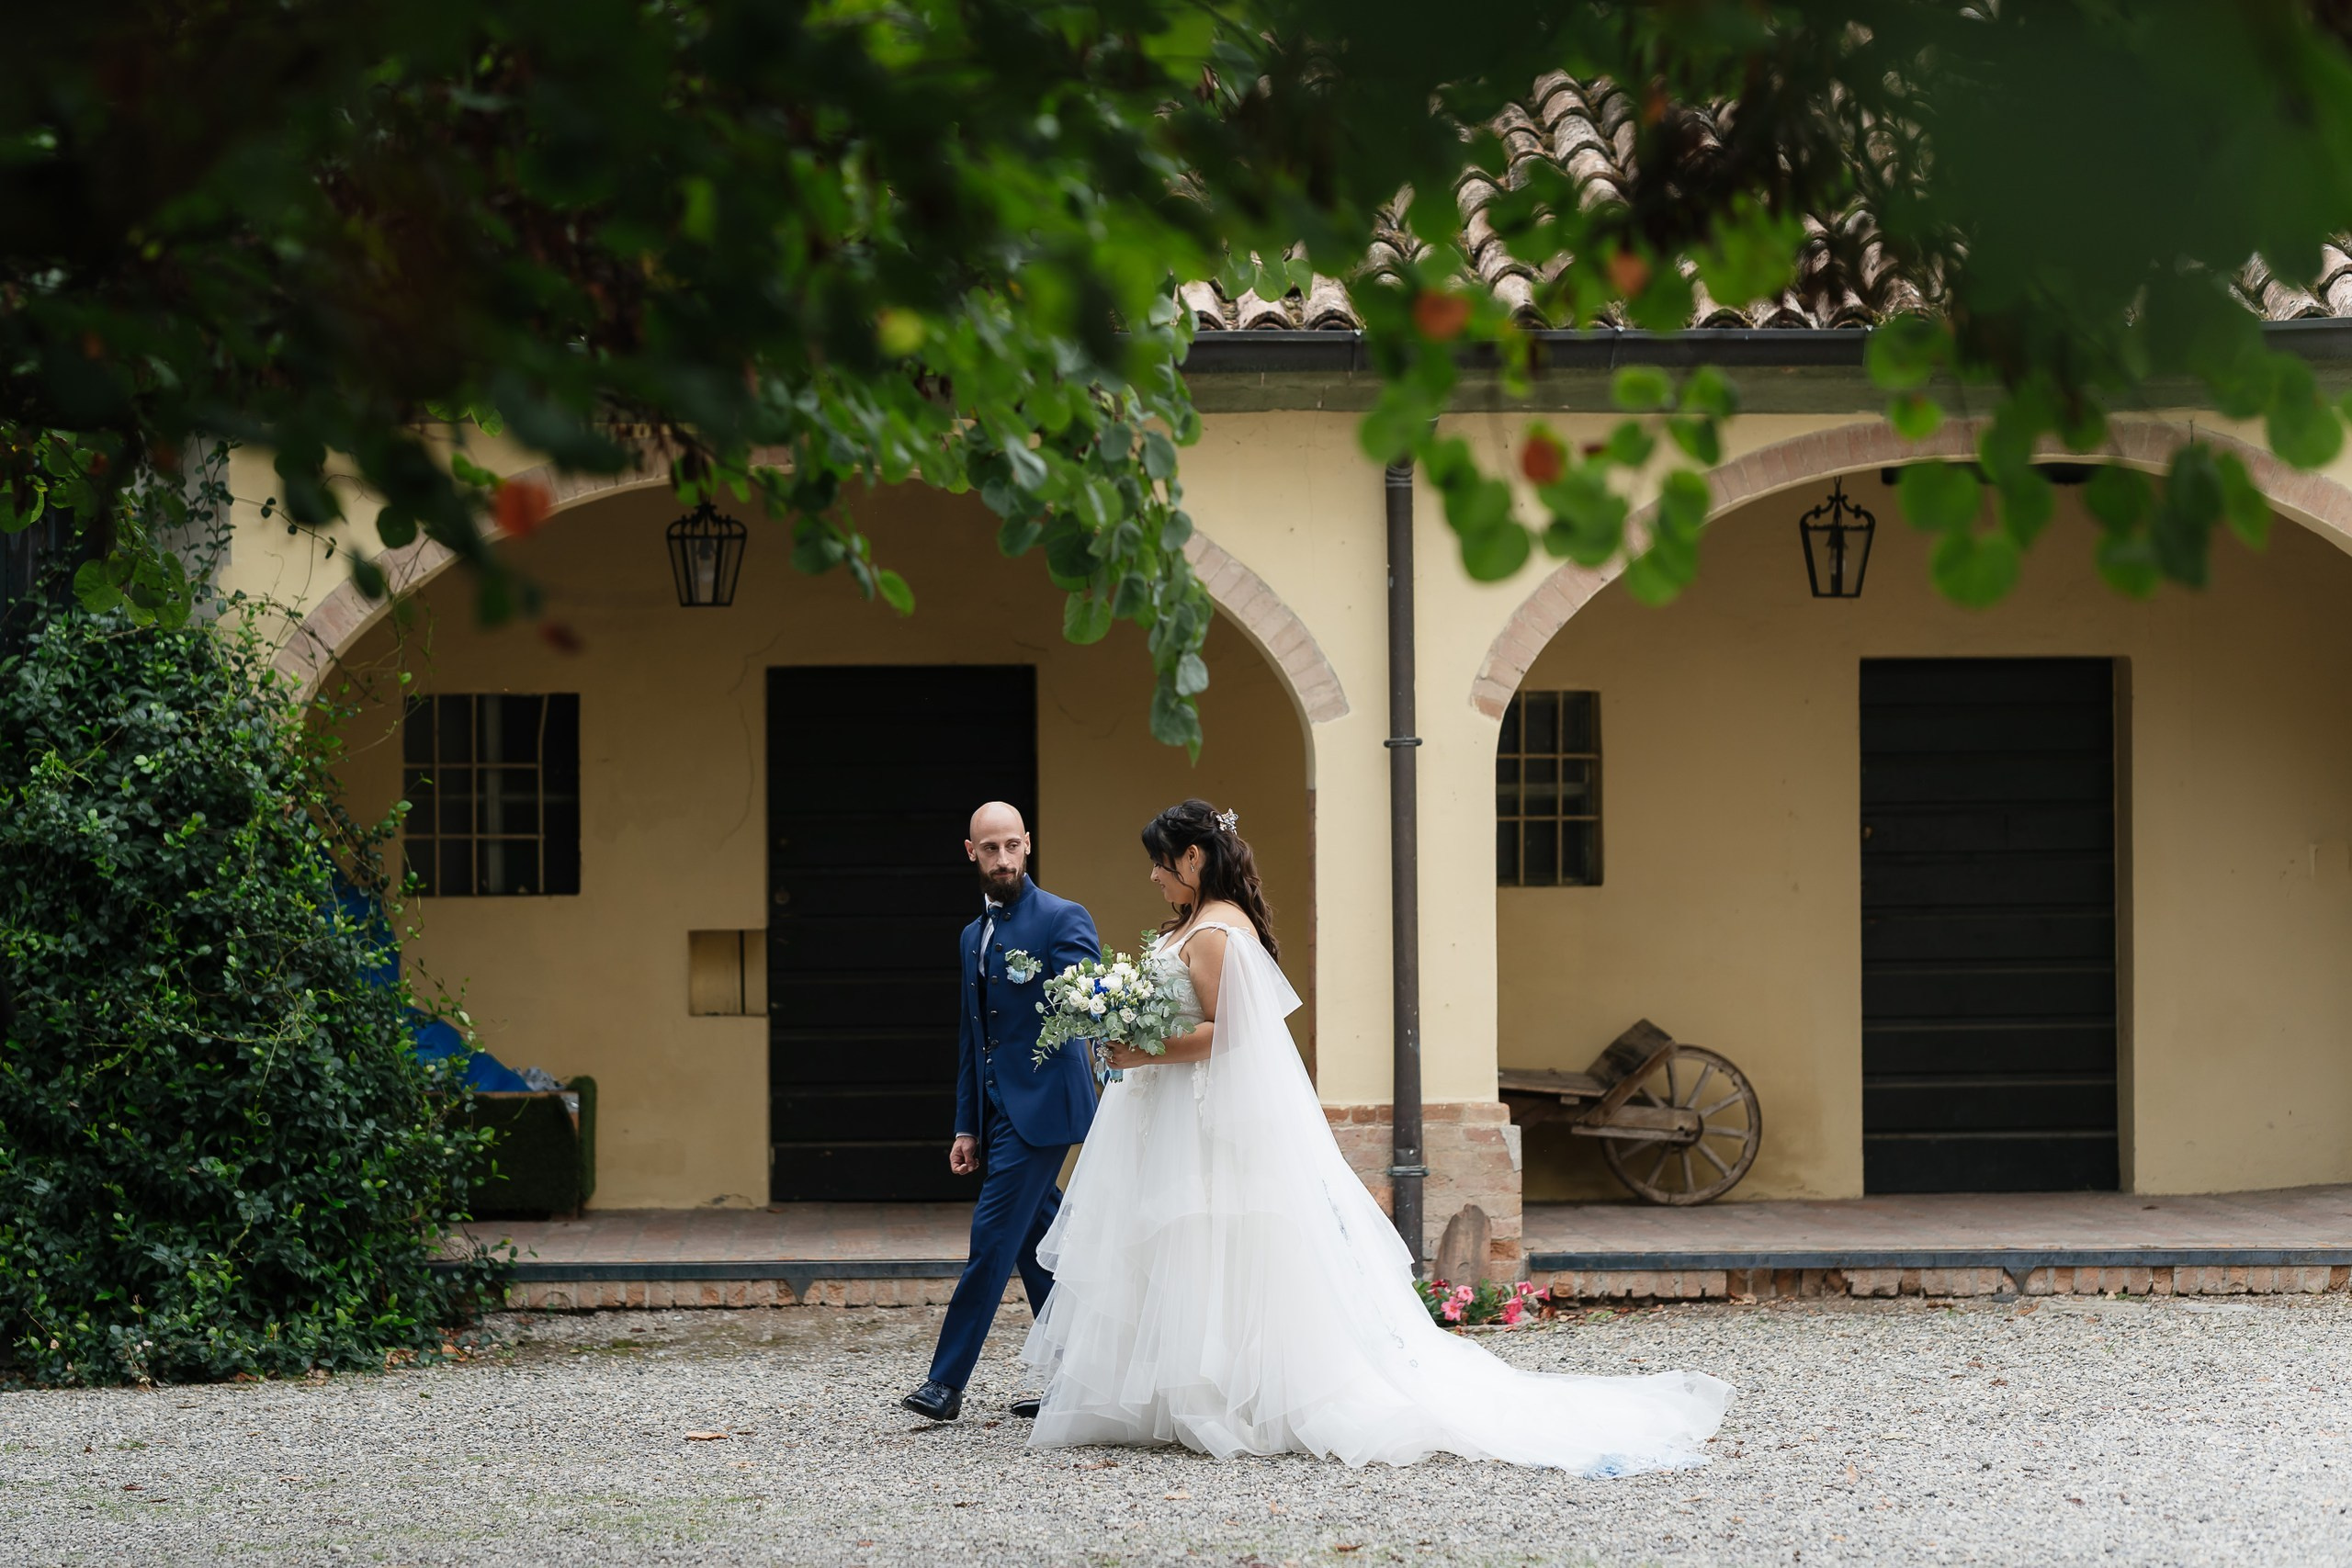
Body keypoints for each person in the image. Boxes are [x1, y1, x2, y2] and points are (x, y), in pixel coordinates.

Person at [1019, 798, 1733, 1472]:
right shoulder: (1191, 924)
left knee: (1212, 1240)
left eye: (1160, 861)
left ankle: (1227, 1395)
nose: (1152, 875)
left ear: (1195, 857)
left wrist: (1140, 1050)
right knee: (1185, 1242)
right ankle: (1176, 1393)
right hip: (1170, 1113)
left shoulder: (1213, 932)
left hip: (1197, 1114)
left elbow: (1228, 1034)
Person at [901, 801, 1102, 1423]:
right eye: (991, 848)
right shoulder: (972, 936)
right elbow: (972, 1038)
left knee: (991, 1237)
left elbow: (1087, 1003)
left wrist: (1081, 994)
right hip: (997, 1112)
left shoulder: (1062, 917)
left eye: (1013, 845)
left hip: (1045, 1108)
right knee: (1035, 1243)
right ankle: (1080, 1378)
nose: (1004, 858)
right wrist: (967, 1124)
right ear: (972, 851)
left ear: (1029, 844)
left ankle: (945, 1382)